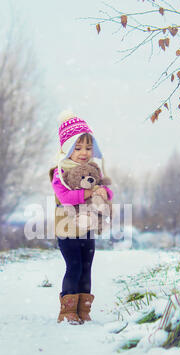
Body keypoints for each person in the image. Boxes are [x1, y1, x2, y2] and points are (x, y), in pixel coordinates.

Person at [49, 111, 113, 325]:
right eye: (77, 148)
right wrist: (89, 192)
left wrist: (104, 193)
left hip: (87, 227)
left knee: (87, 266)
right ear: (67, 149)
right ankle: (67, 312)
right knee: (74, 266)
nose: (83, 153)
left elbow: (104, 188)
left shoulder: (93, 170)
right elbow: (65, 197)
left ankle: (83, 310)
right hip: (67, 228)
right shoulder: (59, 172)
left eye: (87, 148)